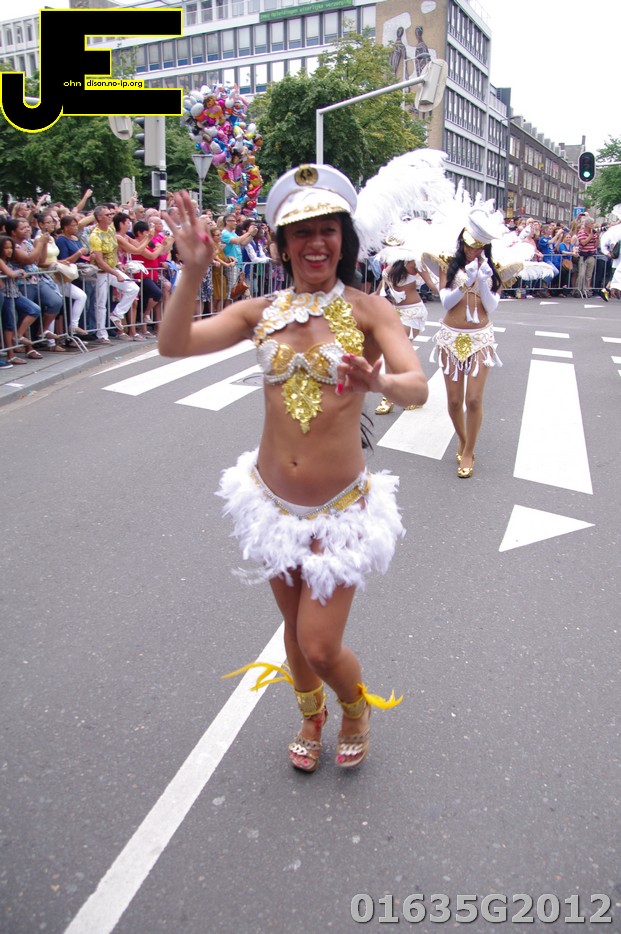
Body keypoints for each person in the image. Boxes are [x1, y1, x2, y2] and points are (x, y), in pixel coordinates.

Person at [159, 165, 428, 773]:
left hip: (341, 510)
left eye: (327, 229)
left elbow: (416, 387)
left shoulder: (370, 312)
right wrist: (193, 271)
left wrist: (380, 381)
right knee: (292, 625)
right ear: (282, 244)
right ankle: (311, 715)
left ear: (343, 239)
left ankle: (355, 709)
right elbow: (173, 345)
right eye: (301, 231)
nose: (316, 242)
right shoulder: (259, 312)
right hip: (272, 505)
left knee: (320, 643)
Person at [431, 210, 504, 478]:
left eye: (479, 247)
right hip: (450, 337)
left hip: (480, 340)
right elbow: (446, 302)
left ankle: (469, 451)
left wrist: (482, 282)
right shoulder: (448, 266)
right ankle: (462, 439)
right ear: (462, 243)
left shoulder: (492, 269)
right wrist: (466, 283)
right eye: (470, 246)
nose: (474, 251)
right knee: (453, 401)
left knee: (473, 399)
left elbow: (491, 307)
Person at [374, 256, 436, 414]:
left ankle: (404, 395)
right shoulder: (392, 259)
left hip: (412, 313)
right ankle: (391, 395)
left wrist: (453, 285)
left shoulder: (415, 261)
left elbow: (433, 286)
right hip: (395, 312)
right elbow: (381, 287)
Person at [88, 205, 140, 344]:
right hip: (100, 272)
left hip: (111, 269)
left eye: (111, 214)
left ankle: (117, 313)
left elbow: (114, 250)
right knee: (101, 303)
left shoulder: (111, 229)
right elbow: (99, 261)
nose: (111, 216)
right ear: (99, 217)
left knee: (133, 288)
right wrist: (116, 274)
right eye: (107, 215)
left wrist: (117, 264)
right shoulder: (95, 236)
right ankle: (102, 334)